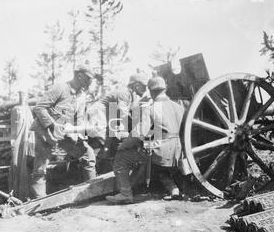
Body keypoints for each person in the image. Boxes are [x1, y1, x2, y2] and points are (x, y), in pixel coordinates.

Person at [106, 76, 185, 204]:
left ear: (151, 91)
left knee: (121, 158)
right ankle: (174, 190)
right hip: (178, 152)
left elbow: (139, 133)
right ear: (165, 89)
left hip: (160, 152)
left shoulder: (151, 108)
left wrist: (124, 145)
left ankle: (125, 194)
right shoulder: (179, 107)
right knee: (160, 168)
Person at [29, 66, 96, 198]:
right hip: (45, 131)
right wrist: (52, 126)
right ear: (79, 76)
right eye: (88, 79)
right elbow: (39, 107)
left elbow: (78, 120)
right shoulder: (60, 88)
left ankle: (93, 190)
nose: (90, 82)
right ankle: (39, 201)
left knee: (88, 155)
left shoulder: (82, 96)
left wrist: (83, 132)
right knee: (40, 167)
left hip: (65, 132)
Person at [86, 73, 150, 173]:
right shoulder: (124, 93)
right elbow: (123, 115)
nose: (146, 89)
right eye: (144, 87)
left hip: (107, 118)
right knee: (103, 144)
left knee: (108, 144)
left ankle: (101, 167)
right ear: (136, 85)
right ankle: (94, 170)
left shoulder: (130, 94)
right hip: (98, 116)